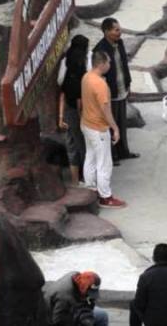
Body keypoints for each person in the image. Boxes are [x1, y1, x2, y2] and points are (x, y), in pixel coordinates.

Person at [81, 51, 126, 208]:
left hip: (86, 124)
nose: (110, 64)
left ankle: (91, 188)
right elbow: (106, 110)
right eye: (108, 62)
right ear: (101, 64)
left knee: (91, 156)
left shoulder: (86, 77)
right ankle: (105, 197)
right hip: (98, 128)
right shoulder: (100, 85)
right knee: (104, 162)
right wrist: (115, 127)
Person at [93, 18, 139, 164]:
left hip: (121, 90)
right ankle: (112, 156)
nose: (120, 32)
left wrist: (128, 83)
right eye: (116, 30)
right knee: (111, 125)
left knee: (121, 124)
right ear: (107, 31)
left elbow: (124, 64)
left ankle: (123, 152)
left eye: (119, 29)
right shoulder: (100, 50)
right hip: (110, 94)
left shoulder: (120, 44)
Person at [130, 243, 167, 326]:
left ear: (153, 259)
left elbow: (140, 304)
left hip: (153, 322)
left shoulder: (145, 277)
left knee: (134, 304)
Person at [59, 34, 90, 185]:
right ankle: (86, 176)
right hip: (77, 113)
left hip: (67, 111)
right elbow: (80, 102)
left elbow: (62, 93)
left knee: (71, 146)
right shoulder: (82, 73)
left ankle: (74, 181)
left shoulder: (66, 66)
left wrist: (60, 118)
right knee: (82, 145)